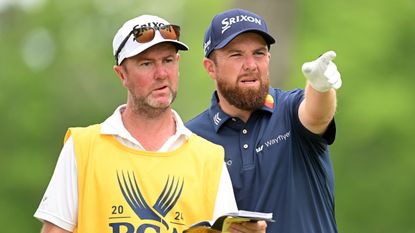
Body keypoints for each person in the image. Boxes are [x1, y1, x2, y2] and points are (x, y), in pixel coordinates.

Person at [33, 14, 267, 233]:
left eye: (167, 61)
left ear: (178, 64)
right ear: (121, 74)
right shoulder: (82, 148)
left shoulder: (210, 158)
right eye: (146, 63)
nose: (161, 74)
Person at [186, 8, 342, 233]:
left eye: (259, 53)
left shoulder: (289, 108)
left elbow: (316, 116)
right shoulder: (191, 139)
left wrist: (320, 86)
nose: (250, 65)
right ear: (211, 67)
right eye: (236, 55)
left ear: (268, 58)